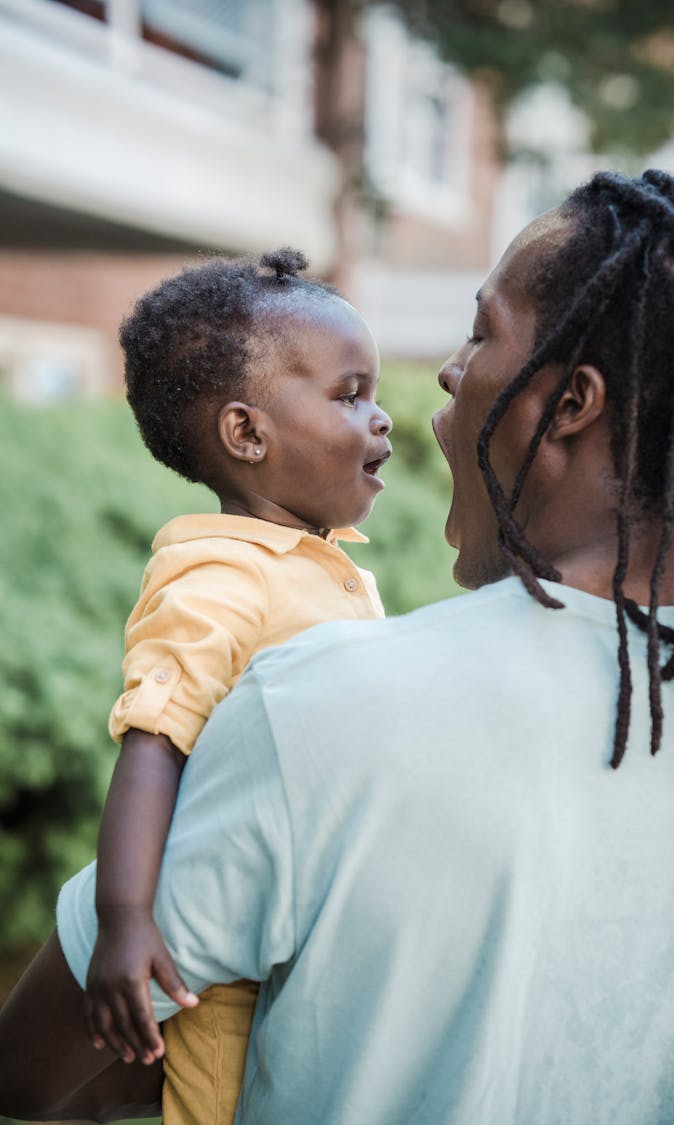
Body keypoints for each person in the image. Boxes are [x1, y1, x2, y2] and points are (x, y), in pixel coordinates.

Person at [2, 166, 674, 1124]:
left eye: (483, 332)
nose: (442, 371)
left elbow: (30, 1070)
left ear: (570, 403)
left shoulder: (322, 708)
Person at [67, 248, 392, 1124]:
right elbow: (153, 740)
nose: (383, 418)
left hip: (306, 937)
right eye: (350, 394)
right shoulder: (220, 577)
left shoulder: (323, 565)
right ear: (247, 433)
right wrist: (125, 919)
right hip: (220, 975)